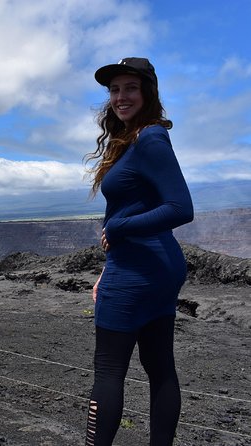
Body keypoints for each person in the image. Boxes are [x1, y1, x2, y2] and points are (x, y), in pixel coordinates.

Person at [84, 58, 194, 445]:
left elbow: (181, 207)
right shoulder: (133, 139)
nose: (120, 97)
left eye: (130, 87)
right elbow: (132, 208)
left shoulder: (149, 138)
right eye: (114, 90)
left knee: (109, 371)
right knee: (160, 367)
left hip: (139, 271)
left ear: (148, 92)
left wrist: (117, 228)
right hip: (153, 267)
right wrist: (105, 268)